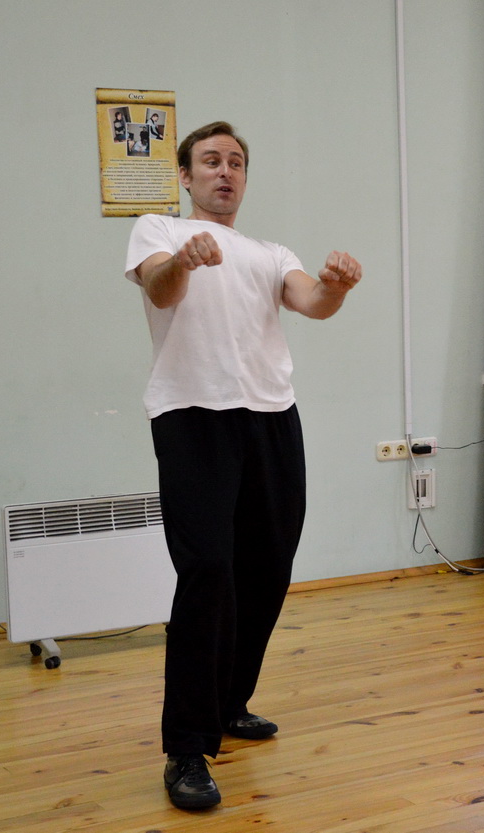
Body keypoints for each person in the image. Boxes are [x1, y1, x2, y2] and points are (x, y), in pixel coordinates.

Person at [124, 121, 362, 809]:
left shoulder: (269, 252)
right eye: (210, 161)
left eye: (235, 162)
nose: (224, 171)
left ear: (245, 178)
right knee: (207, 572)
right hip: (192, 415)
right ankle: (186, 748)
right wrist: (185, 261)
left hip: (271, 417)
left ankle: (229, 702)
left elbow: (311, 301)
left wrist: (337, 285)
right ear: (186, 175)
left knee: (267, 569)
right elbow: (160, 291)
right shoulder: (158, 230)